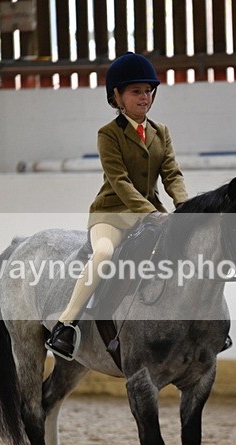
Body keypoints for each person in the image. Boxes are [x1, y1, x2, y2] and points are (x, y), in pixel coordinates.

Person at [45, 52, 188, 360]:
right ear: (118, 97)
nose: (145, 97)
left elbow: (172, 174)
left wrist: (184, 207)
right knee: (105, 253)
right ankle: (66, 324)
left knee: (185, 249)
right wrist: (151, 214)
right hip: (112, 212)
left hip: (151, 213)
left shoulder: (161, 132)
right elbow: (120, 181)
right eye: (136, 91)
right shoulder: (108, 134)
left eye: (148, 91)